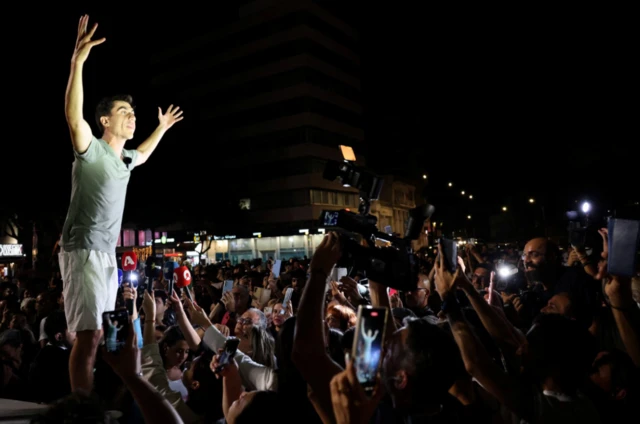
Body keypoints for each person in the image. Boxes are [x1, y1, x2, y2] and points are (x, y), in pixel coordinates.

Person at [60, 14, 184, 393]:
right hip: (82, 250)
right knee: (89, 336)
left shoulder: (125, 159)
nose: (132, 117)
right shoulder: (90, 149)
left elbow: (143, 153)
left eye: (133, 113)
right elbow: (72, 114)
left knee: (106, 334)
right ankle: (80, 411)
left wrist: (160, 128)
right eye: (124, 113)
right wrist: (77, 62)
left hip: (107, 254)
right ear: (104, 121)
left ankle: (100, 395)